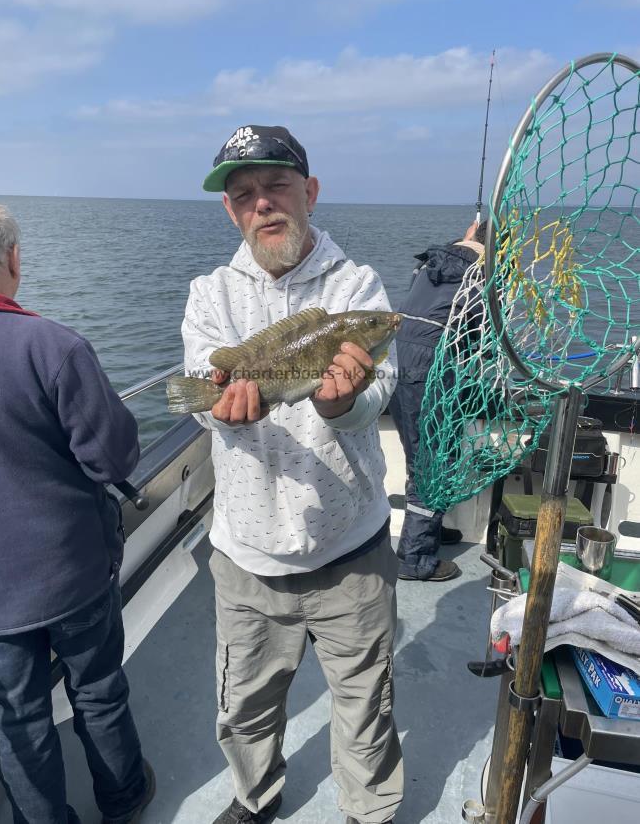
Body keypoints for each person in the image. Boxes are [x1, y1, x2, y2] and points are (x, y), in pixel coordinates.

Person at [182, 125, 403, 824]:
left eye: (276, 186)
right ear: (230, 211)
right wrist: (223, 411)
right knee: (243, 703)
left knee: (365, 703)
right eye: (244, 195)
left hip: (351, 547)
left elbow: (378, 395)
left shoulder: (356, 287)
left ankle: (367, 812)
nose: (262, 205)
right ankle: (254, 799)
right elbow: (202, 393)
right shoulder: (209, 292)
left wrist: (342, 402)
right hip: (246, 551)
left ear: (308, 192)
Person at [0, 198, 155, 824]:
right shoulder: (53, 346)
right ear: (14, 260)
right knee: (98, 692)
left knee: (17, 722)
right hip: (73, 574)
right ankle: (124, 797)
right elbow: (114, 457)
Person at [389, 220, 486, 582]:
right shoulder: (480, 274)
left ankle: (428, 529)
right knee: (432, 464)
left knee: (425, 456)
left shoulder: (435, 262)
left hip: (399, 364)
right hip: (431, 370)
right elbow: (484, 332)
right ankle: (415, 558)